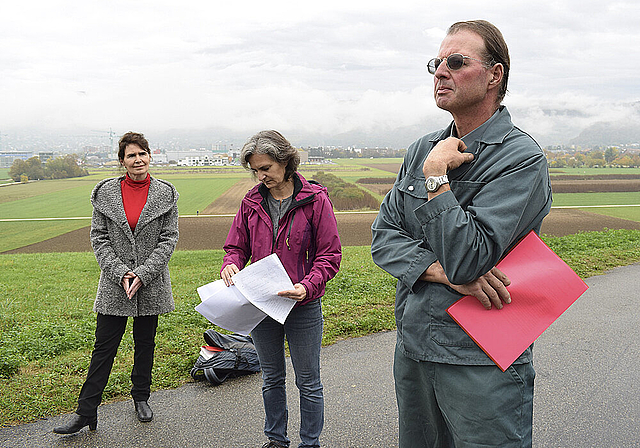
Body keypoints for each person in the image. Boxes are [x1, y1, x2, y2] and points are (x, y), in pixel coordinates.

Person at [371, 20, 552, 447]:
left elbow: (470, 259)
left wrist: (436, 178)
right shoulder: (422, 147)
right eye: (437, 62)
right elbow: (383, 237)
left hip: (481, 355)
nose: (440, 71)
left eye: (456, 61)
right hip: (415, 345)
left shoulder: (521, 159)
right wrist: (438, 271)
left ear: (495, 74)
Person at [221, 130, 341, 448]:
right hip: (263, 306)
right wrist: (231, 263)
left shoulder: (315, 200)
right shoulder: (251, 202)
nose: (261, 176)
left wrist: (307, 286)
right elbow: (236, 246)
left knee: (308, 382)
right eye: (255, 170)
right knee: (271, 378)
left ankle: (310, 443)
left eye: (266, 168)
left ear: (285, 162)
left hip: (302, 306)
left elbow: (329, 256)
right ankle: (276, 440)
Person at [54, 132, 179, 434]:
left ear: (150, 156)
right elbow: (99, 238)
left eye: (142, 154)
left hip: (151, 282)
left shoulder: (167, 193)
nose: (138, 160)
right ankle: (86, 411)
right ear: (122, 160)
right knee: (104, 347)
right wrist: (121, 273)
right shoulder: (105, 193)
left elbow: (169, 239)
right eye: (131, 155)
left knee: (145, 344)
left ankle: (141, 398)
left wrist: (144, 274)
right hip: (114, 283)